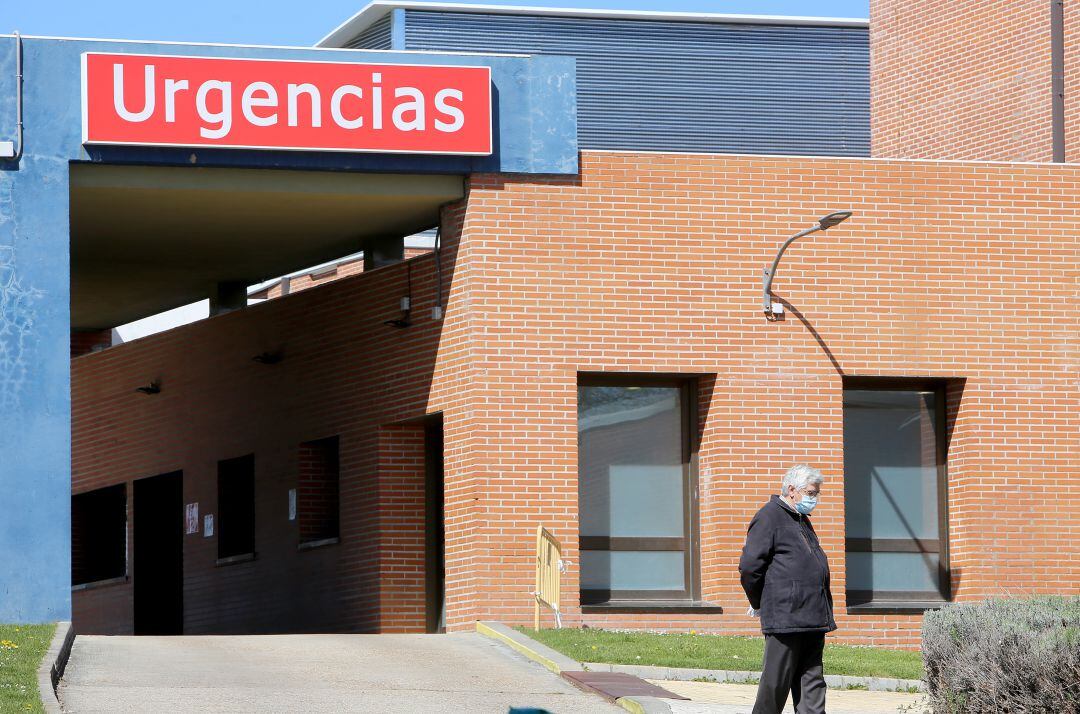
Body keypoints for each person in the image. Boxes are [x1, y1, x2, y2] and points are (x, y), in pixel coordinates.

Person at [738, 464, 836, 714]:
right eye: (811, 493)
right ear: (792, 490)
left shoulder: (801, 520)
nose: (814, 499)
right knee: (775, 685)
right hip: (786, 617)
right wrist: (759, 601)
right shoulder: (769, 516)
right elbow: (750, 567)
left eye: (816, 494)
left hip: (813, 617)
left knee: (812, 685)